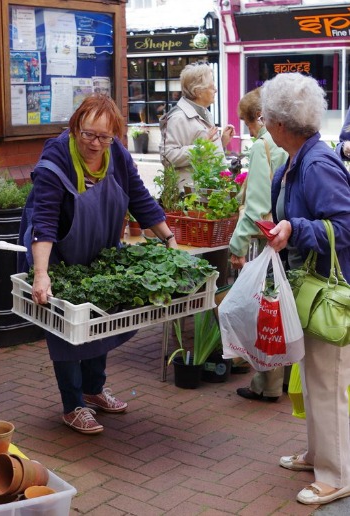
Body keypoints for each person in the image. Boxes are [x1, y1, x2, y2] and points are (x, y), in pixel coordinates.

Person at [17, 94, 177, 435]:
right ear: (75, 127)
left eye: (105, 137)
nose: (95, 144)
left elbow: (139, 197)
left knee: (101, 319)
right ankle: (73, 404)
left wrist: (169, 239)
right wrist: (42, 274)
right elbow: (44, 220)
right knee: (65, 329)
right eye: (89, 134)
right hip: (56, 252)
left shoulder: (115, 153)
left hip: (98, 248)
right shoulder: (56, 159)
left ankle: (93, 388)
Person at [262, 72, 350, 506]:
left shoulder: (315, 163)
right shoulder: (302, 159)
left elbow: (346, 226)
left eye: (265, 116)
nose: (261, 122)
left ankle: (336, 474)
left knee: (328, 381)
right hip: (311, 286)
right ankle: (320, 455)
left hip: (330, 292)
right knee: (316, 378)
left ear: (281, 124)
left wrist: (294, 228)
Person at [229, 88, 288, 402]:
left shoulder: (262, 146)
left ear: (258, 119)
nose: (249, 130)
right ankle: (271, 382)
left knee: (262, 310)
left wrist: (236, 244)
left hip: (263, 240)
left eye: (248, 122)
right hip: (284, 234)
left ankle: (266, 384)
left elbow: (255, 207)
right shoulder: (287, 141)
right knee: (276, 308)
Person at [159, 62, 236, 188]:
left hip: (206, 193)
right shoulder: (178, 117)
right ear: (198, 92)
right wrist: (202, 147)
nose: (215, 90)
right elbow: (167, 157)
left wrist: (221, 143)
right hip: (190, 196)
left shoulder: (203, 112)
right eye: (212, 87)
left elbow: (203, 150)